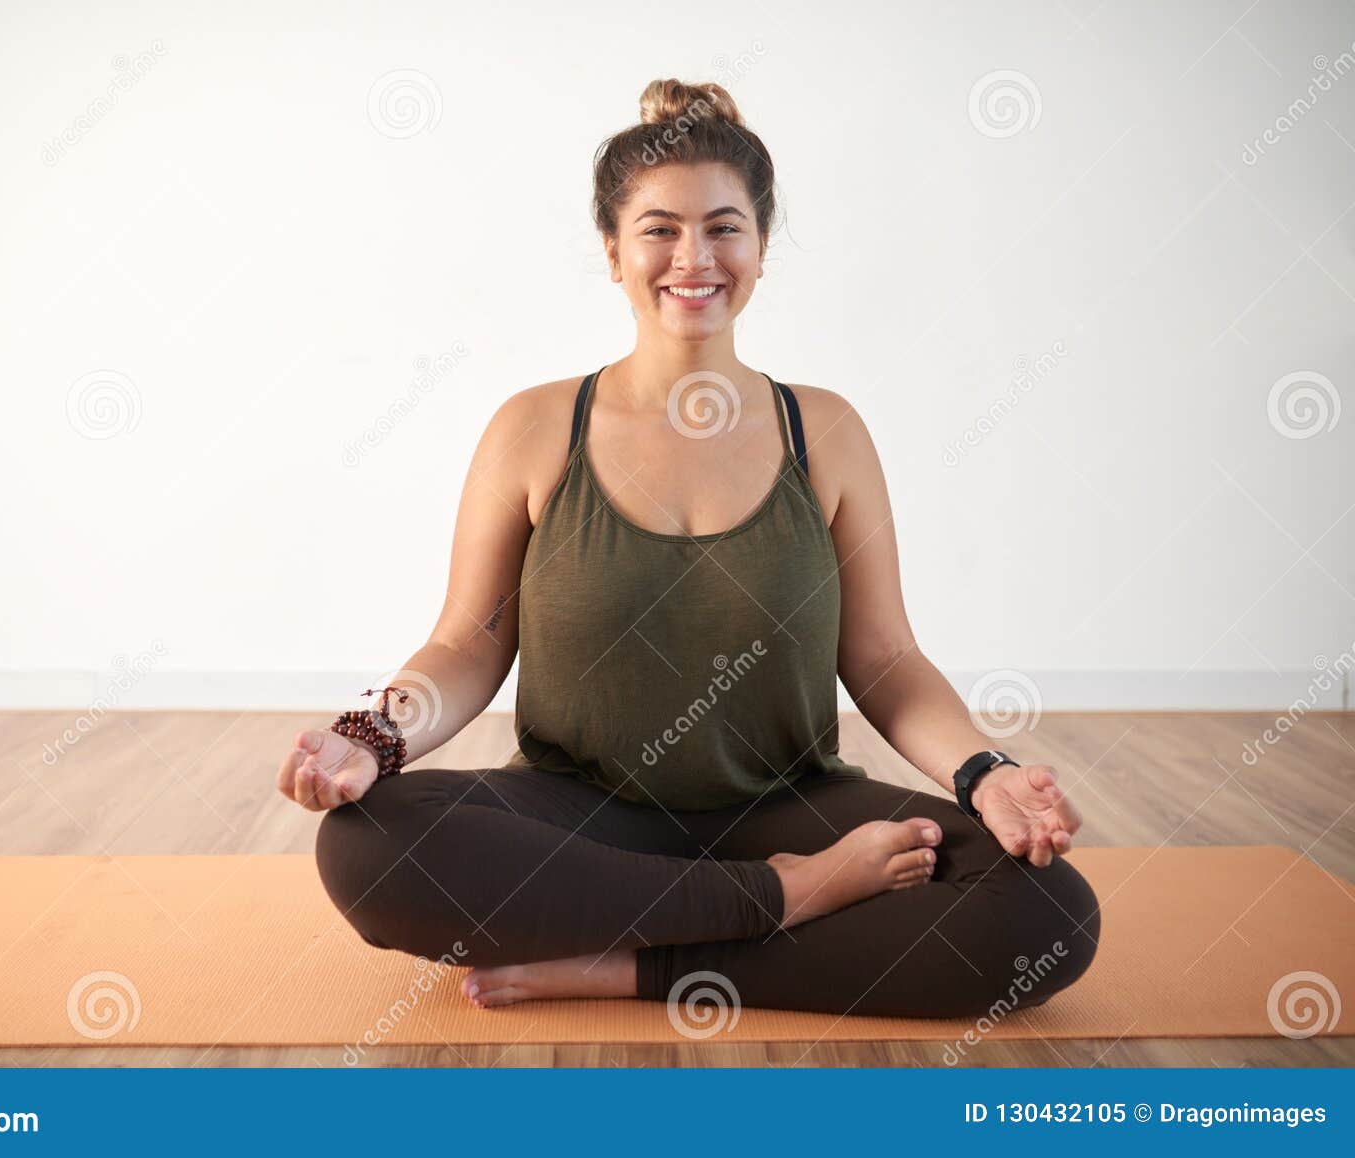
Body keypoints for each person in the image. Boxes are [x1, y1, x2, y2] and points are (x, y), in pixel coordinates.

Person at [282, 78, 1099, 1019]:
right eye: (660, 229)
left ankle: (626, 963)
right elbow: (468, 643)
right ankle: (789, 901)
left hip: (784, 807)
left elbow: (885, 658)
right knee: (363, 842)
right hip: (584, 820)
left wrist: (986, 777)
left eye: (724, 227)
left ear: (760, 248)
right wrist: (371, 740)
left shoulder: (824, 431)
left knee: (1046, 913)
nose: (693, 257)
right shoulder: (534, 426)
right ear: (613, 251)